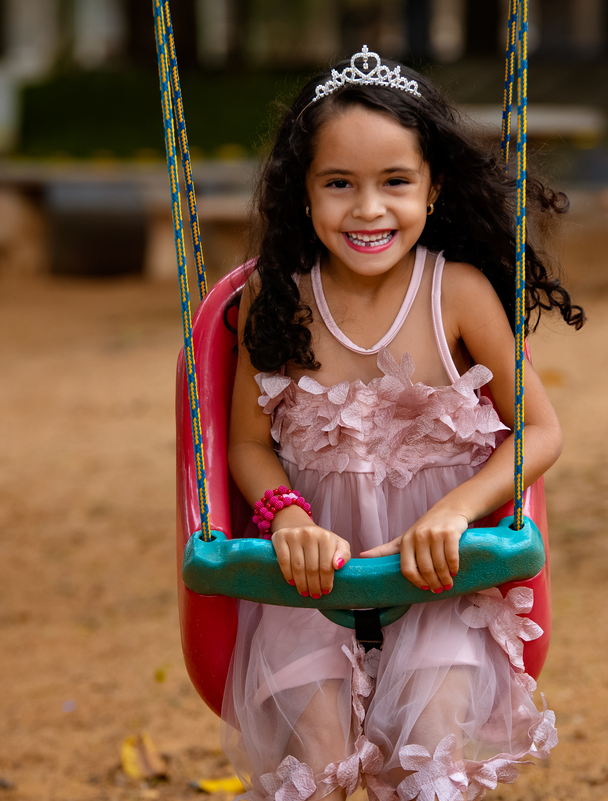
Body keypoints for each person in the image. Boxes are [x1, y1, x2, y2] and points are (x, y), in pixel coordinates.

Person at [224, 47, 583, 801]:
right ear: (302, 191)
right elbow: (249, 444)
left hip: (439, 581)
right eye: (339, 183)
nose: (367, 209)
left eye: (395, 181)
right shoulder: (278, 297)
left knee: (425, 757)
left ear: (433, 186)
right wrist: (286, 516)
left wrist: (454, 512)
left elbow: (539, 430)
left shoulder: (458, 293)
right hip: (310, 583)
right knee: (319, 765)